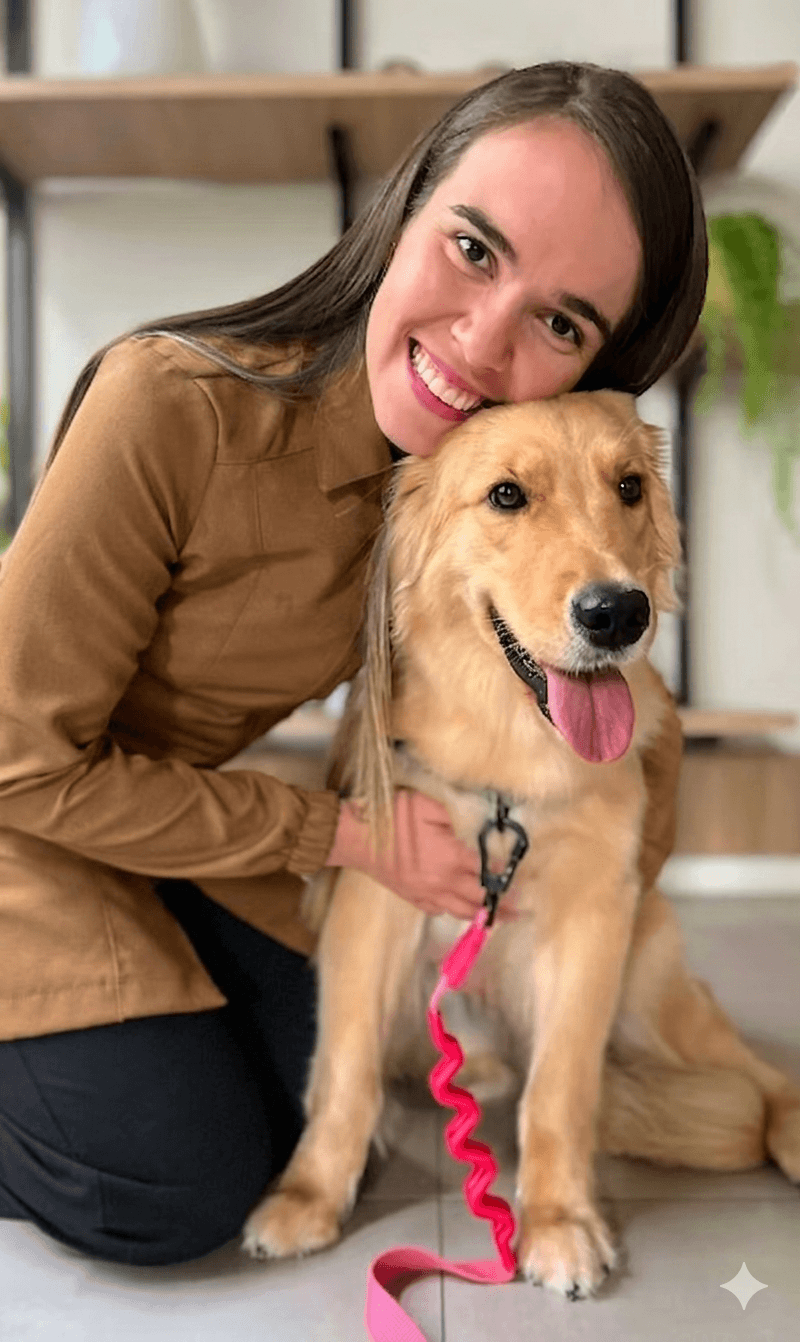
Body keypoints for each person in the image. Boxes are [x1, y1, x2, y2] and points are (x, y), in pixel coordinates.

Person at [0, 62, 706, 1266]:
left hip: (165, 832)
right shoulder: (167, 405)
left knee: (346, 1102)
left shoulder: (463, 478)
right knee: (170, 1184)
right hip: (28, 813)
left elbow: (459, 716)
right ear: (402, 205)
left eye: (559, 320)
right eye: (473, 250)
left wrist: (604, 840)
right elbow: (13, 762)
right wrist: (332, 837)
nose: (482, 341)